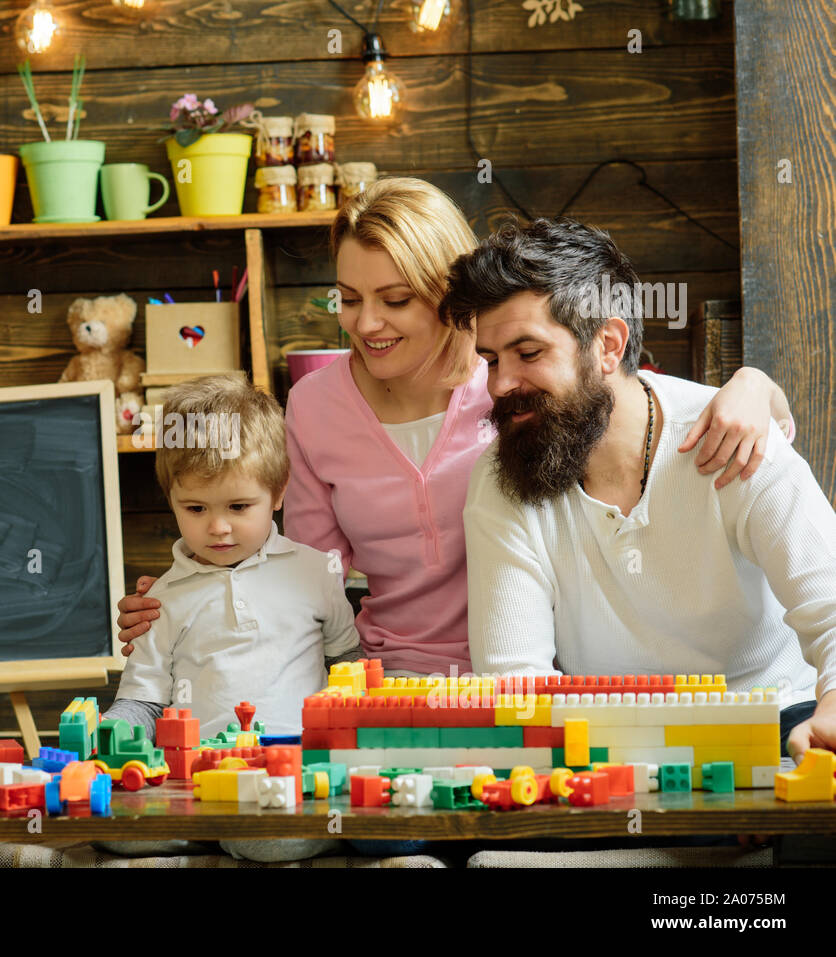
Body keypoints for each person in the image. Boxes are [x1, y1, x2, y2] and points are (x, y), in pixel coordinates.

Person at [118, 178, 794, 681]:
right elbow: (303, 579)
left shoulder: (513, 384)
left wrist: (757, 385)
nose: (366, 324)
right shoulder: (314, 407)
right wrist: (192, 591)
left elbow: (627, 401)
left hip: (542, 669)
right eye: (349, 299)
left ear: (451, 295)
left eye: (395, 299)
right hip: (387, 675)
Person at [445, 217, 836, 758]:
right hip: (602, 737)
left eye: (528, 353)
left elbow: (831, 606)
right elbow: (516, 685)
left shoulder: (733, 433)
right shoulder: (500, 475)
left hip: (768, 714)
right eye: (490, 360)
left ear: (608, 343)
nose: (499, 384)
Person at [100, 372, 355, 862]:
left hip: (288, 780)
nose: (217, 528)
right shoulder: (162, 598)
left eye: (239, 506)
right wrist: (109, 735)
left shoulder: (314, 573)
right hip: (191, 783)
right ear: (170, 499)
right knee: (115, 831)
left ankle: (267, 831)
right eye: (195, 507)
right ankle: (208, 830)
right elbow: (142, 702)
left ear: (278, 492)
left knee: (264, 836)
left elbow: (349, 667)